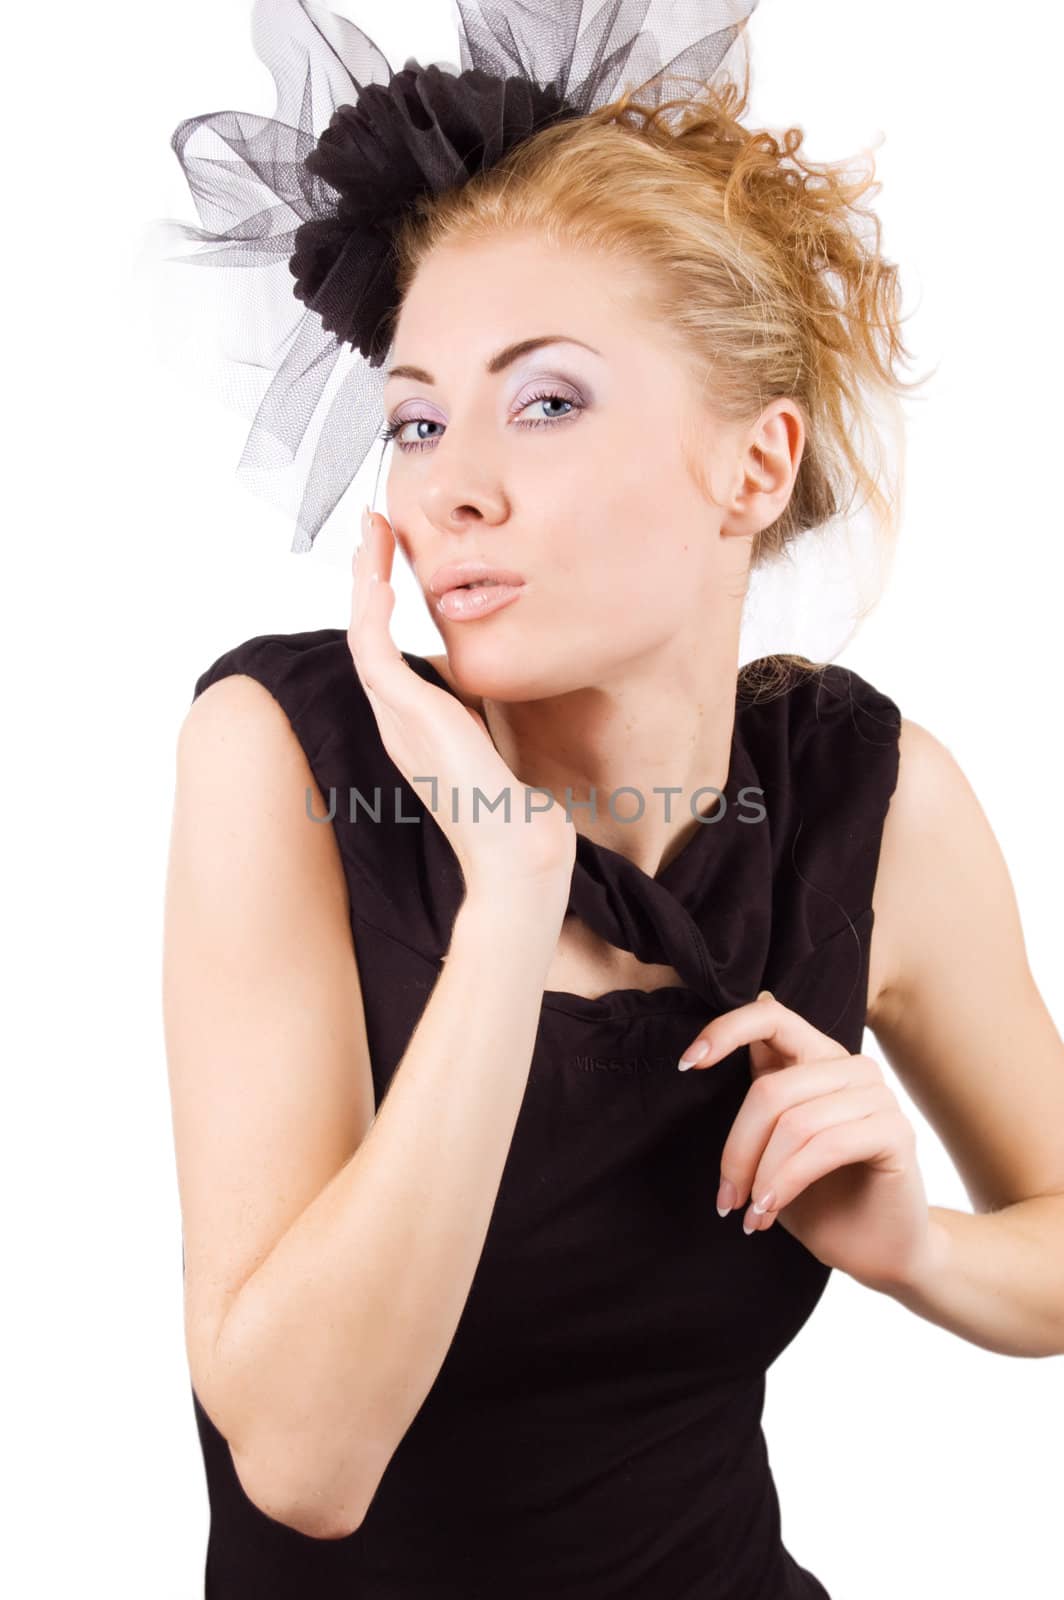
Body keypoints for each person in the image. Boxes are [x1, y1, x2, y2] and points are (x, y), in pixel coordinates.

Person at [161, 4, 1064, 1596]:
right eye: (420, 419)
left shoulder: (877, 800)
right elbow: (301, 1463)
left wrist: (922, 1246)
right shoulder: (287, 755)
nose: (450, 484)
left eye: (549, 401)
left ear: (754, 466)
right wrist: (510, 901)